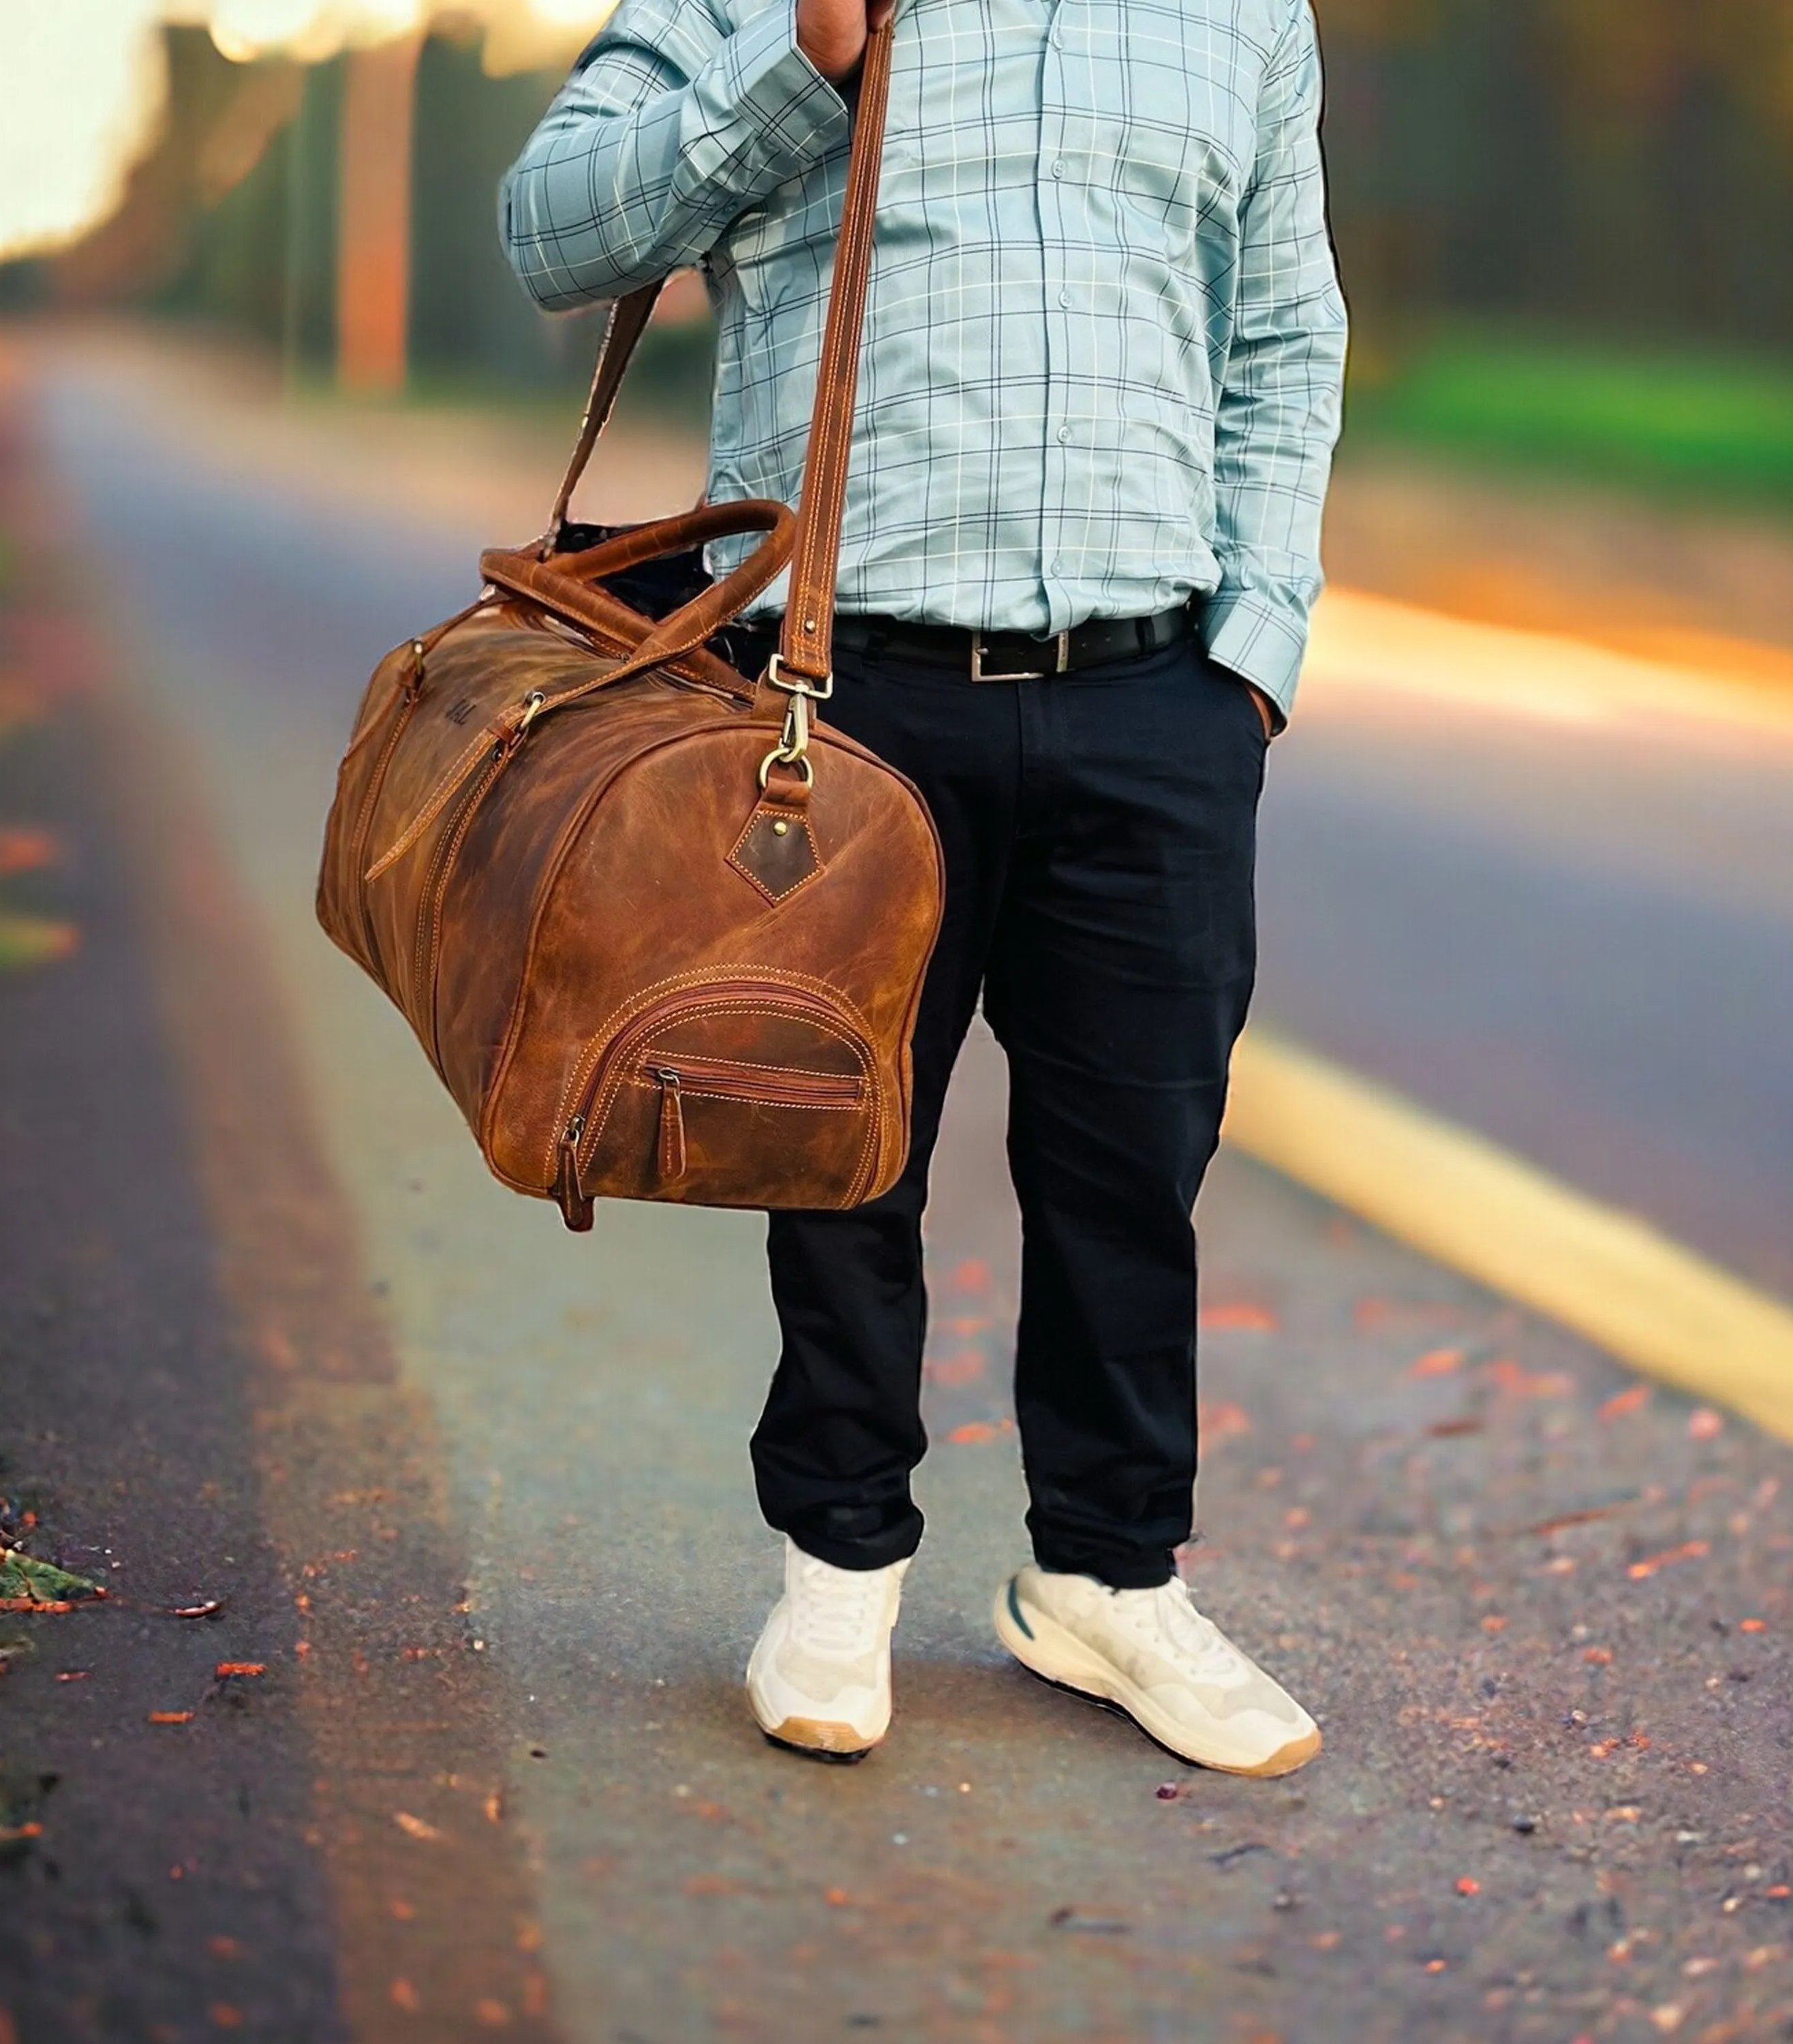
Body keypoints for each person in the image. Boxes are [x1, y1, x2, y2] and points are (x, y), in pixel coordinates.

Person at [501, 0, 1345, 1777]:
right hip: (840, 691)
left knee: (1135, 1169)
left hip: (1155, 697)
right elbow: (550, 231)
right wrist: (792, 74)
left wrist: (1249, 651)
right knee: (836, 1147)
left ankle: (1107, 1579)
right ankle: (837, 1562)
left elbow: (1284, 326)